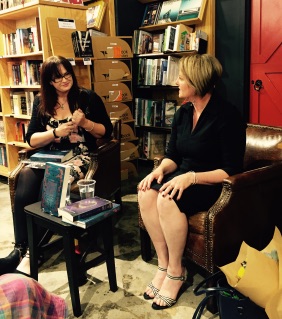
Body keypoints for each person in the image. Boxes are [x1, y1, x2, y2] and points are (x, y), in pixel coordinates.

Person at [138, 53, 246, 310]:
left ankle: (176, 272)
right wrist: (159, 171)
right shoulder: (183, 113)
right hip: (183, 177)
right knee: (145, 192)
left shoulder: (226, 116)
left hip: (212, 183)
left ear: (196, 83)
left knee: (166, 199)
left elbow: (230, 170)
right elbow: (173, 155)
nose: (176, 82)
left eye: (182, 78)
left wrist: (192, 178)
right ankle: (163, 265)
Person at [3, 55, 113, 273]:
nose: (64, 80)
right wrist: (54, 132)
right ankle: (20, 247)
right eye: (57, 78)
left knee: (53, 179)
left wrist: (85, 123)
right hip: (50, 154)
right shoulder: (41, 102)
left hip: (80, 156)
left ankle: (34, 251)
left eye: (67, 74)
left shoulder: (87, 98)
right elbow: (31, 139)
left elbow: (107, 132)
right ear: (48, 81)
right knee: (24, 176)